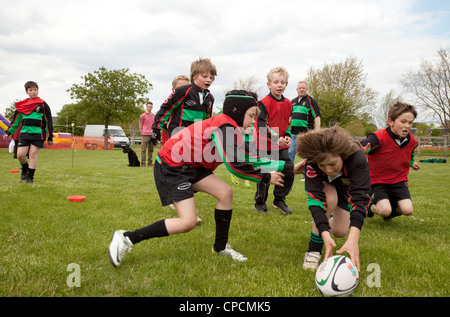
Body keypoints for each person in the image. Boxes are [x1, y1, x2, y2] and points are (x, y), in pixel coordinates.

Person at [108, 90, 286, 267]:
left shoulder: (232, 128)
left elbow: (248, 156)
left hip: (192, 166)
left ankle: (221, 247)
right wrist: (266, 177)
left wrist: (291, 168)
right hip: (173, 167)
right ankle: (127, 238)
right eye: (251, 116)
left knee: (225, 192)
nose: (253, 121)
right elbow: (236, 166)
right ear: (236, 111)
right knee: (188, 222)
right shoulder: (225, 126)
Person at [294, 126, 371, 271]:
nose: (328, 170)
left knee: (340, 231)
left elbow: (359, 199)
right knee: (328, 200)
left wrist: (353, 240)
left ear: (342, 155)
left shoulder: (357, 158)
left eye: (332, 164)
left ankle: (324, 223)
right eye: (322, 165)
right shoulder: (311, 160)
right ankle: (313, 250)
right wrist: (324, 233)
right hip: (326, 187)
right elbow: (316, 200)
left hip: (345, 188)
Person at [360, 102, 420, 220]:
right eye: (403, 122)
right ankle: (369, 207)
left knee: (408, 210)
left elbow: (409, 154)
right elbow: (364, 146)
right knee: (384, 210)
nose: (407, 126)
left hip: (398, 181)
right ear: (391, 122)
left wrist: (412, 162)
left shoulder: (412, 141)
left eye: (410, 122)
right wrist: (362, 150)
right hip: (377, 181)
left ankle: (390, 213)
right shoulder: (378, 137)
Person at [253, 66, 294, 214]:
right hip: (264, 144)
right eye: (276, 82)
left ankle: (279, 199)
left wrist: (287, 136)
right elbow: (261, 124)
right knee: (265, 173)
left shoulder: (289, 104)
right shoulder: (263, 102)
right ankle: (259, 202)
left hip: (281, 145)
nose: (280, 85)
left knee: (288, 171)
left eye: (283, 82)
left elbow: (287, 125)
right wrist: (276, 138)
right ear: (269, 84)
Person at [151, 58, 216, 145]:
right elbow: (166, 108)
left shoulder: (210, 98)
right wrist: (156, 128)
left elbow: (207, 119)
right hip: (178, 136)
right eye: (205, 77)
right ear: (194, 76)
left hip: (196, 139)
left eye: (211, 78)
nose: (209, 80)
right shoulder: (183, 91)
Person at [3, 81, 53, 183]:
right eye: (31, 90)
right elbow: (16, 121)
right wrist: (8, 132)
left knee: (33, 154)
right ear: (27, 92)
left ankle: (30, 177)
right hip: (25, 133)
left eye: (35, 90)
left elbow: (49, 121)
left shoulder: (43, 105)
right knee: (20, 155)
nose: (34, 92)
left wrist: (50, 137)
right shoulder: (22, 105)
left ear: (38, 91)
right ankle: (25, 168)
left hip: (38, 134)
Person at [288, 81, 321, 164]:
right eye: (300, 88)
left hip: (306, 134)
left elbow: (317, 117)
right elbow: (289, 117)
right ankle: (291, 174)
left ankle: (306, 175)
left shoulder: (311, 101)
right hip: (293, 134)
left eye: (303, 88)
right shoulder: (292, 102)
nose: (301, 90)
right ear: (297, 89)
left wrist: (317, 132)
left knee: (307, 155)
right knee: (290, 153)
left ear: (307, 89)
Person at [161, 75, 191, 145]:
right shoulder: (169, 104)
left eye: (187, 88)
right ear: (173, 90)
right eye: (181, 88)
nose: (184, 91)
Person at [139, 102, 155, 166]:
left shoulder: (154, 116)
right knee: (143, 149)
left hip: (152, 134)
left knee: (151, 150)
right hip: (145, 134)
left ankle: (150, 163)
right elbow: (140, 124)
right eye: (148, 106)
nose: (149, 108)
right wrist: (141, 132)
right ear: (146, 107)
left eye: (151, 107)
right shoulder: (142, 115)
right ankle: (143, 163)